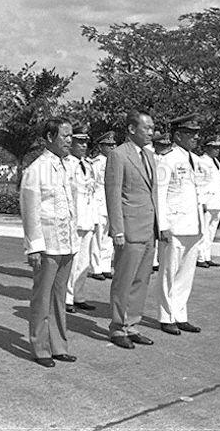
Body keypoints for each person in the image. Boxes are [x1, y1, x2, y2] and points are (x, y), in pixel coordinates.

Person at [20, 117, 79, 368]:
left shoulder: (70, 166)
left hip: (66, 241)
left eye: (70, 136)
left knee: (59, 296)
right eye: (65, 136)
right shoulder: (36, 169)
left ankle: (58, 345)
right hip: (46, 244)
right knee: (42, 298)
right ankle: (40, 347)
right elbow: (30, 211)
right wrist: (33, 246)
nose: (70, 140)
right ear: (49, 137)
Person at [104, 110, 158, 349]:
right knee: (124, 280)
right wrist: (117, 230)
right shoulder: (119, 155)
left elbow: (153, 194)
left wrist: (159, 226)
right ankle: (117, 327)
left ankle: (132, 324)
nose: (151, 132)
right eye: (146, 128)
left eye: (152, 128)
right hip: (129, 229)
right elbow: (113, 194)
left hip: (148, 229)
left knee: (141, 280)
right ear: (132, 129)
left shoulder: (149, 155)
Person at [155, 114, 205, 335]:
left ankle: (180, 314)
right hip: (174, 225)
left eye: (196, 133)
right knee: (169, 272)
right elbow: (160, 193)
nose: (195, 137)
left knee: (186, 273)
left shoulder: (194, 159)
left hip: (193, 225)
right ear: (178, 135)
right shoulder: (168, 158)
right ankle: (166, 316)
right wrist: (162, 225)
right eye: (190, 133)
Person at [65, 125, 97, 314]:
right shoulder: (67, 164)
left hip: (88, 218)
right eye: (80, 142)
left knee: (84, 261)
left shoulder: (89, 164)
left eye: (86, 142)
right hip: (74, 220)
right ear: (72, 143)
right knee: (72, 261)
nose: (84, 146)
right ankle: (67, 297)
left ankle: (78, 295)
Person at [88, 131, 116, 280]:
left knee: (108, 238)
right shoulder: (96, 163)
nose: (112, 147)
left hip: (110, 203)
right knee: (98, 237)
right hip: (99, 203)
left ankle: (105, 266)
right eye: (108, 145)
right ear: (101, 146)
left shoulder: (115, 161)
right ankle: (95, 267)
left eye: (113, 145)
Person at [196, 136, 220, 268]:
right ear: (207, 148)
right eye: (214, 147)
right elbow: (199, 184)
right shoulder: (201, 161)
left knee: (211, 231)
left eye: (218, 148)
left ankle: (207, 256)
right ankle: (200, 257)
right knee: (203, 231)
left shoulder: (216, 162)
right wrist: (201, 202)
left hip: (216, 202)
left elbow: (219, 184)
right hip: (207, 202)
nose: (217, 150)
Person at [151, 132, 173, 272]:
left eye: (166, 145)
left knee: (159, 234)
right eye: (161, 145)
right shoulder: (150, 157)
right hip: (151, 199)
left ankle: (156, 261)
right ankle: (151, 262)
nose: (164, 148)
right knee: (151, 233)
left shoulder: (165, 159)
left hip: (161, 199)